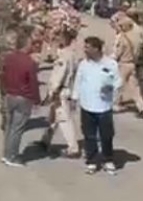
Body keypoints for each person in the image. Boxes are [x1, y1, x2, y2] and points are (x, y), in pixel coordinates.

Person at [72, 36, 120, 175]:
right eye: (84, 47)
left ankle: (108, 159)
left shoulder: (111, 64)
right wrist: (75, 98)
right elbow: (78, 81)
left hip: (104, 106)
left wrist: (110, 88)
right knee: (89, 134)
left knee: (106, 135)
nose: (85, 50)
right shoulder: (83, 64)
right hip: (87, 105)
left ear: (96, 49)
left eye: (88, 47)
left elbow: (118, 81)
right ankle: (91, 160)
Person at [37, 28, 80, 158]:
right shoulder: (71, 54)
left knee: (64, 119)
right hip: (65, 89)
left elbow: (59, 75)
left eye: (59, 38)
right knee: (53, 117)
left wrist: (53, 91)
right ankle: (45, 140)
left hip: (61, 91)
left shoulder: (64, 57)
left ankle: (73, 148)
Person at [0, 37, 39, 167]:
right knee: (17, 128)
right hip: (24, 97)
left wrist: (4, 90)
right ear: (26, 46)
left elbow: (2, 74)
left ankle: (6, 153)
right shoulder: (29, 62)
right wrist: (36, 99)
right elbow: (33, 83)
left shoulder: (8, 58)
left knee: (10, 127)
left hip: (10, 95)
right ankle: (12, 156)